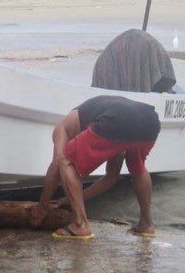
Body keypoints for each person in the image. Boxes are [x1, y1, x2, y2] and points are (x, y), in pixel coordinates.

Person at [31, 95, 161, 238]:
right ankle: (146, 224)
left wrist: (41, 207)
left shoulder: (62, 128)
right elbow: (111, 178)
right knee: (138, 168)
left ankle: (80, 224)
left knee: (66, 160)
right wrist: (67, 200)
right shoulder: (98, 116)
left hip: (116, 118)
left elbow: (57, 164)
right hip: (149, 119)